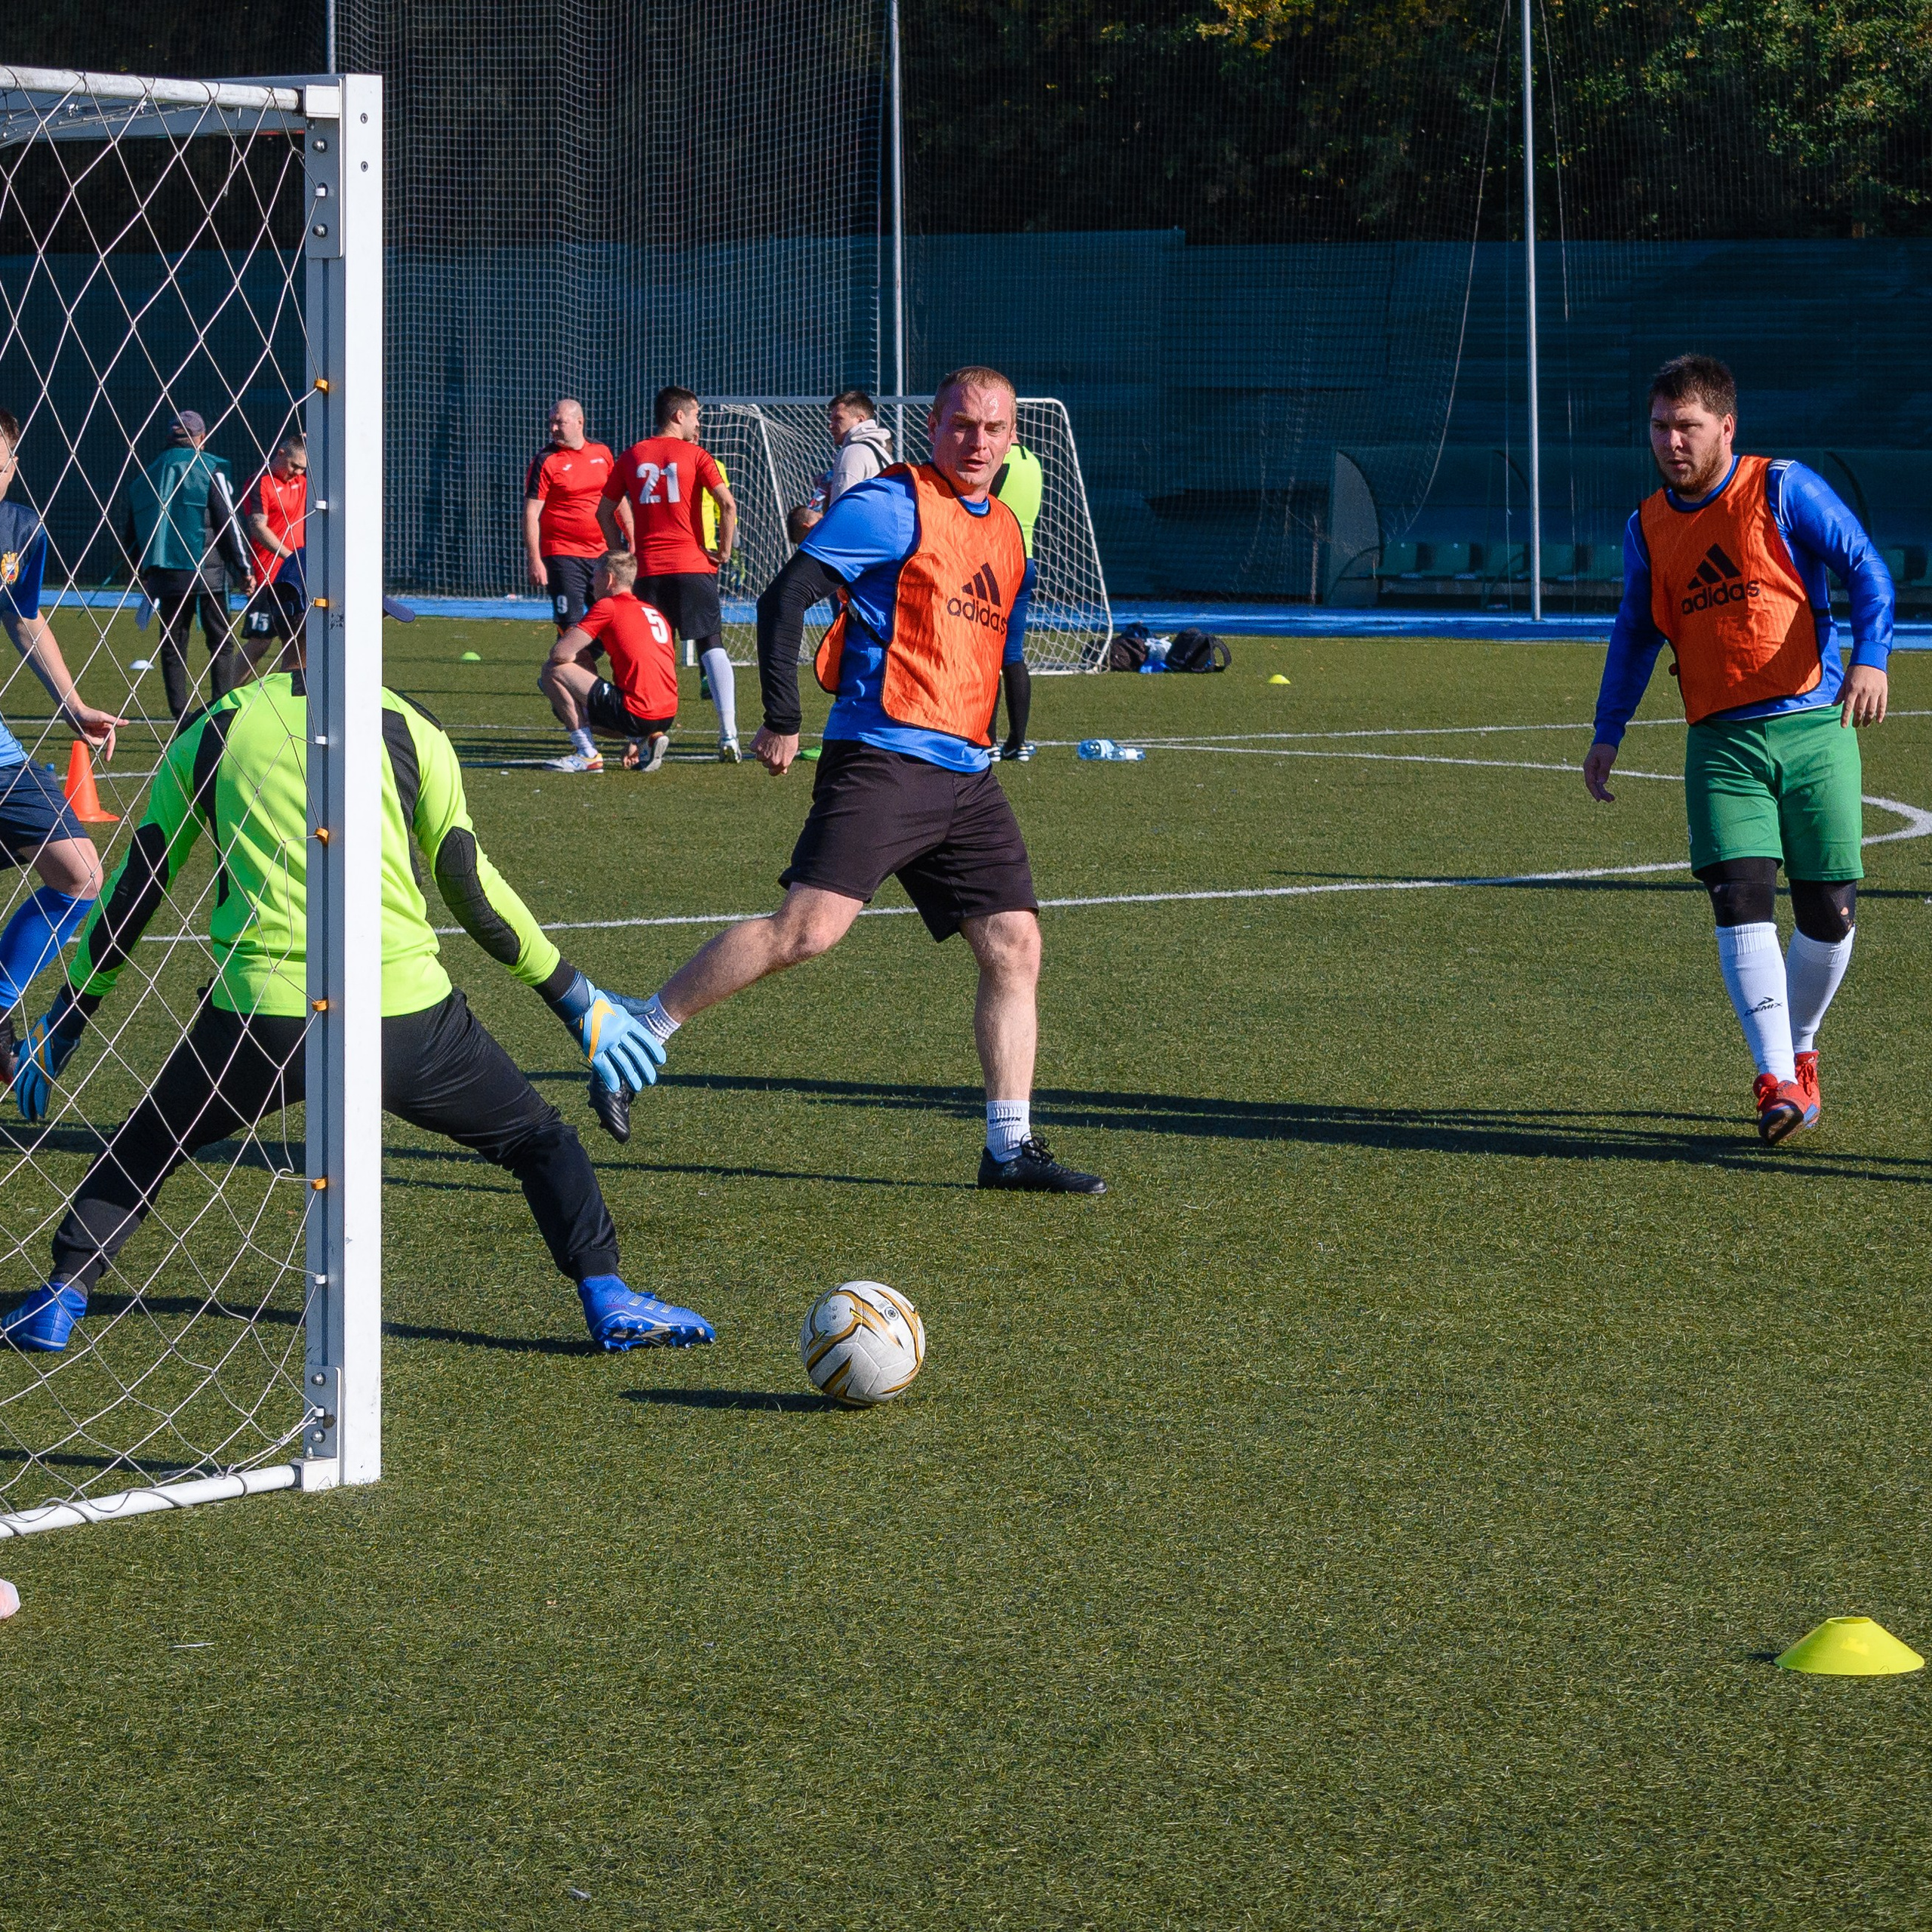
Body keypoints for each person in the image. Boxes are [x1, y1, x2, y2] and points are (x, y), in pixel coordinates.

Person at [0, 626, 714, 1356]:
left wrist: (67, 1018)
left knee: (148, 1142)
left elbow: (136, 891)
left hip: (259, 1018)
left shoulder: (215, 727)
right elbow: (471, 887)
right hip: (405, 1016)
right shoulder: (410, 724)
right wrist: (575, 999)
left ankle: (61, 1294)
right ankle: (606, 1293)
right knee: (538, 1140)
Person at [620, 365, 1105, 1195]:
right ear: (932, 427)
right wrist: (782, 716)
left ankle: (1008, 1148)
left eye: (993, 428)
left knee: (1015, 944)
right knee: (806, 932)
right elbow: (785, 598)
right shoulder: (891, 502)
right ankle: (640, 1029)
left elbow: (998, 652)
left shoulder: (1007, 533)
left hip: (967, 773)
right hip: (883, 757)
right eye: (961, 425)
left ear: (1013, 437)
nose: (977, 442)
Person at [1583, 354, 1893, 1144]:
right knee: (1739, 895)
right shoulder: (1646, 527)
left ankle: (1799, 1050)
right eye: (1659, 427)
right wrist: (1608, 729)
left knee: (1829, 911)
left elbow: (1865, 566)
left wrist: (1871, 658)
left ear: (1726, 426)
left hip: (1816, 727)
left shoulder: (1783, 488)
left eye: (1686, 426)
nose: (1671, 442)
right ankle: (1775, 1079)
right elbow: (1634, 633)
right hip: (1720, 743)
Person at [0, 408, 128, 1083]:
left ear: (13, 464)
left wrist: (74, 706)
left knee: (80, 874)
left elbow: (24, 619)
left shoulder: (19, 530)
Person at [600, 386, 742, 761]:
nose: (698, 422)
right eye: (696, 414)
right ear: (679, 416)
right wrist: (724, 551)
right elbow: (728, 505)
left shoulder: (632, 455)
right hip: (693, 566)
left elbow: (604, 510)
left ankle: (645, 736)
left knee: (653, 654)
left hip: (648, 573)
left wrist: (620, 552)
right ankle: (729, 735)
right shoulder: (697, 455)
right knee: (711, 643)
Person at [124, 409, 254, 722]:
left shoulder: (149, 473)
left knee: (173, 646)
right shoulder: (209, 468)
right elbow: (228, 522)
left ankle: (181, 718)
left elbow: (133, 528)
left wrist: (140, 569)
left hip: (166, 575)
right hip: (209, 574)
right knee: (221, 643)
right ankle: (222, 710)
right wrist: (244, 568)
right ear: (201, 438)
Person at [538, 550, 680, 774]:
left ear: (610, 579)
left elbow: (560, 654)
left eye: (595, 576)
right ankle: (642, 738)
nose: (591, 582)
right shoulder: (651, 611)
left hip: (637, 711)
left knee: (552, 671)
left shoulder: (609, 606)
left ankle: (587, 754)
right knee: (576, 685)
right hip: (666, 715)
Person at [523, 398, 616, 635]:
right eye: (551, 423)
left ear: (579, 422)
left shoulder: (602, 453)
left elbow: (617, 500)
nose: (553, 428)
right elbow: (531, 512)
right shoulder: (545, 460)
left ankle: (576, 660)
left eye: (559, 423)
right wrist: (535, 560)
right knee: (570, 628)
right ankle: (565, 659)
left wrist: (630, 540)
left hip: (601, 555)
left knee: (611, 623)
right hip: (562, 554)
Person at [989, 440, 1044, 761]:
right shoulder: (1033, 462)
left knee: (986, 653)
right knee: (1012, 655)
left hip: (997, 562)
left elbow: (981, 505)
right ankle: (1018, 742)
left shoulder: (999, 460)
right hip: (1026, 560)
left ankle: (987, 741)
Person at [789, 389, 895, 541]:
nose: (831, 425)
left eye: (838, 419)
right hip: (880, 540)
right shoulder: (880, 451)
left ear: (860, 420)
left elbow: (841, 514)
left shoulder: (852, 452)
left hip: (858, 544)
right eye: (831, 419)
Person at [240, 432, 308, 658]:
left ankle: (294, 682)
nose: (297, 473)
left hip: (296, 575)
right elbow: (258, 527)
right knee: (260, 642)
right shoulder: (261, 481)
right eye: (294, 466)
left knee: (299, 640)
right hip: (268, 574)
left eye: (302, 469)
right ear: (280, 453)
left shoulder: (302, 480)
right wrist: (290, 557)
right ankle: (228, 683)